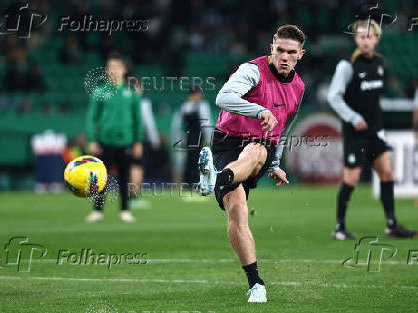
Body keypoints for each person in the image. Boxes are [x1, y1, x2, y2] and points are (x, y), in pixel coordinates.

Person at [196, 25, 306, 303]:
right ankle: (255, 283)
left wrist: (275, 163)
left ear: (300, 55)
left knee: (257, 150)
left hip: (261, 146)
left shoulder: (299, 87)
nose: (283, 56)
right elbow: (222, 98)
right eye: (279, 50)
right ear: (272, 48)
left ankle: (216, 178)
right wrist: (260, 110)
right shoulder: (252, 71)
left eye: (290, 52)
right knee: (237, 209)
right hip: (227, 141)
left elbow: (284, 127)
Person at [327, 19, 417, 240]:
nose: (365, 41)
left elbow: (374, 99)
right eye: (360, 37)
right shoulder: (347, 65)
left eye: (369, 37)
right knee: (352, 178)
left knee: (387, 173)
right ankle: (339, 228)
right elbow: (333, 96)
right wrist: (353, 117)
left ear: (376, 38)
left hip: (376, 130)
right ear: (356, 39)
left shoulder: (380, 63)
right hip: (355, 133)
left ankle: (391, 224)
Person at [86, 52, 143, 223]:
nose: (114, 70)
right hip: (105, 140)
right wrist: (92, 139)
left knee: (125, 178)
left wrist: (138, 141)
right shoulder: (99, 91)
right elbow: (92, 117)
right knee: (101, 177)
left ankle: (125, 210)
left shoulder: (131, 92)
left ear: (124, 69)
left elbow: (137, 120)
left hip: (125, 141)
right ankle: (97, 211)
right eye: (111, 67)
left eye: (117, 67)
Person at [171, 86, 212, 184]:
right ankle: (190, 182)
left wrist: (209, 139)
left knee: (200, 160)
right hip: (188, 137)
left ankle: (198, 182)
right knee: (190, 160)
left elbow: (206, 124)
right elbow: (177, 125)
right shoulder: (184, 107)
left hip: (200, 138)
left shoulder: (203, 106)